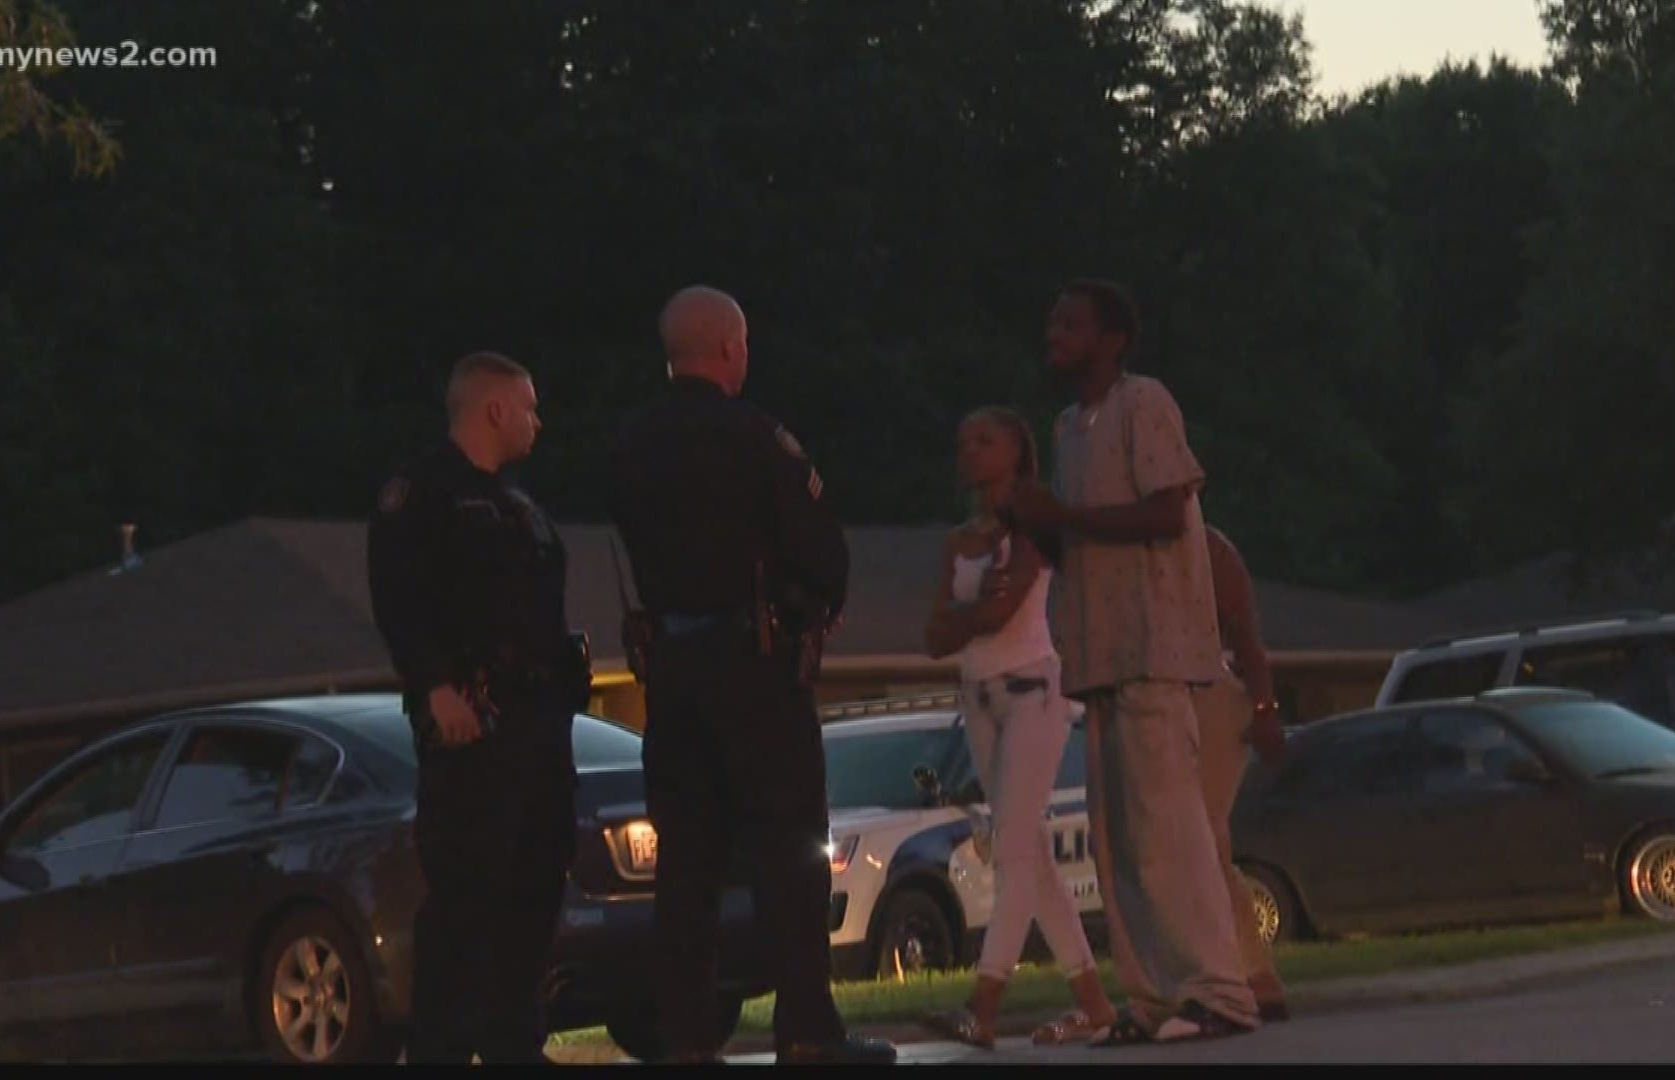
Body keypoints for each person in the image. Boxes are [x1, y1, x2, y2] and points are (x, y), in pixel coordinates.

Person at [606, 286, 897, 1066]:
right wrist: (810, 604)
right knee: (789, 847)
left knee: (687, 861)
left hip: (670, 672)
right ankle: (805, 1030)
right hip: (755, 666)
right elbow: (819, 551)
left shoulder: (629, 442)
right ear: (732, 348)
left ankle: (686, 1040)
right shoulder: (755, 436)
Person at [999, 278, 1260, 1045]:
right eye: (1051, 320)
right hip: (1099, 654)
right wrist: (1039, 524)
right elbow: (1078, 542)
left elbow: (1165, 508)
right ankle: (1151, 999)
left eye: (1071, 322)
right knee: (1121, 845)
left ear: (1111, 339)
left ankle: (1219, 992)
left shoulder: (1142, 403)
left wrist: (1066, 515)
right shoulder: (1068, 428)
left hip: (1152, 647)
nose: (1055, 333)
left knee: (1169, 833)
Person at [366, 350, 592, 1065]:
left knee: (534, 884)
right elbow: (398, 600)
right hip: (473, 721)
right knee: (468, 894)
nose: (538, 420)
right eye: (528, 406)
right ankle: (439, 1048)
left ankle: (513, 1042)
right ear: (493, 409)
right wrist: (432, 685)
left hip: (538, 724)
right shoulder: (423, 494)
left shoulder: (519, 505)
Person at [917, 406, 1120, 1050]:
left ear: (1017, 451)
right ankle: (1093, 1003)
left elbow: (1001, 611)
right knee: (1028, 853)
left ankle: (983, 1002)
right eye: (962, 442)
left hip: (1033, 690)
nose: (969, 452)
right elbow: (934, 636)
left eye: (984, 441)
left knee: (1011, 849)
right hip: (978, 698)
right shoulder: (959, 540)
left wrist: (967, 613)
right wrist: (971, 613)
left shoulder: (1032, 524)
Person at [1200, 526, 1292, 1021]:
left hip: (1212, 699)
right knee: (1193, 844)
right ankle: (1236, 971)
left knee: (1206, 838)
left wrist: (1263, 707)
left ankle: (1254, 974)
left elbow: (1247, 637)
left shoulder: (1214, 551)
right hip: (1166, 701)